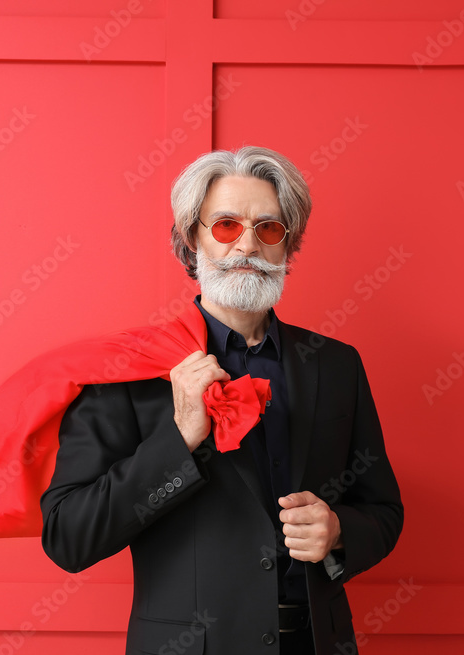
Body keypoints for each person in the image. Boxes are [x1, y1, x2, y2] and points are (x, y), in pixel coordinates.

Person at [40, 146, 403, 655]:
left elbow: (384, 510)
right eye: (227, 226)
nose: (247, 247)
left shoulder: (337, 365)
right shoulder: (128, 371)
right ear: (193, 239)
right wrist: (180, 439)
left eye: (269, 229)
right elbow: (68, 537)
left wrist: (340, 529)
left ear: (287, 247)